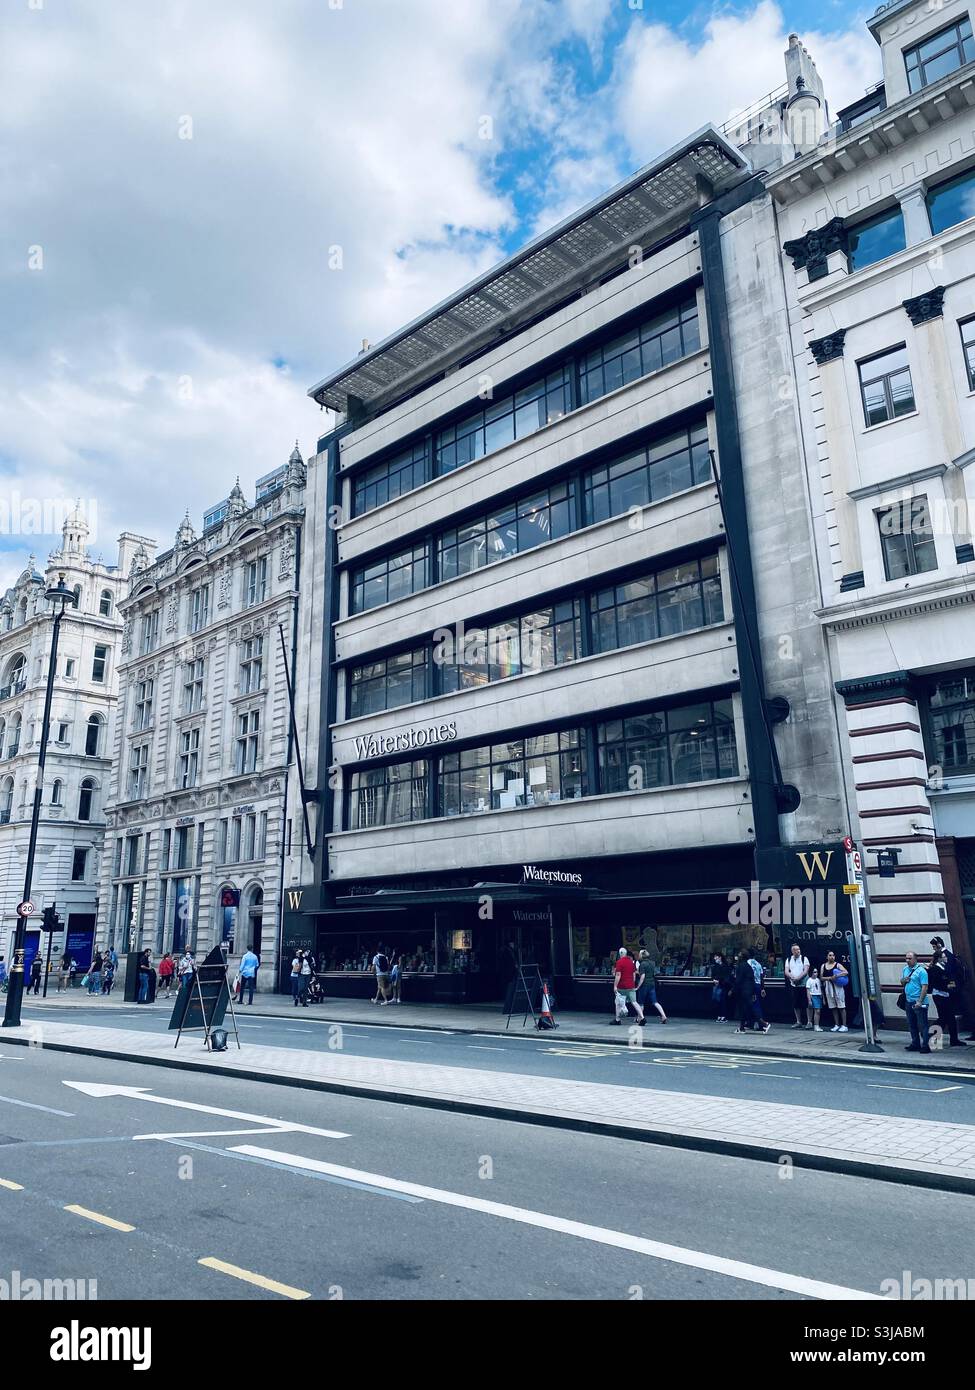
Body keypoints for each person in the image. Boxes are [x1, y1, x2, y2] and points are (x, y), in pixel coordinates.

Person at [930, 936, 973, 1043]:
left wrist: (950, 986)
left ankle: (945, 1038)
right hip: (944, 993)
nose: (933, 949)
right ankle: (933, 1036)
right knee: (946, 1017)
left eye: (934, 946)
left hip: (946, 993)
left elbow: (949, 976)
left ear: (939, 945)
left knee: (947, 1017)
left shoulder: (945, 958)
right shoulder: (940, 960)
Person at [901, 950, 931, 1054]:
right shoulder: (905, 969)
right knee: (911, 1024)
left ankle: (925, 1045)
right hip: (908, 1001)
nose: (907, 960)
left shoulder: (921, 971)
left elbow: (925, 987)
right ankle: (915, 1043)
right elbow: (901, 982)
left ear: (915, 959)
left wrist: (920, 1001)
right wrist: (904, 980)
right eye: (906, 958)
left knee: (922, 1024)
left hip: (918, 1001)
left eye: (910, 958)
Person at [612, 947, 645, 1026]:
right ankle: (642, 1018)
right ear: (626, 953)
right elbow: (634, 975)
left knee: (618, 1002)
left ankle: (617, 1019)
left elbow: (618, 975)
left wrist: (615, 986)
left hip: (622, 986)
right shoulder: (631, 962)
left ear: (620, 954)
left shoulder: (619, 962)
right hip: (631, 986)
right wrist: (632, 983)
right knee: (634, 1002)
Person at [636, 949, 667, 1023]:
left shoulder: (642, 964)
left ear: (642, 956)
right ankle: (663, 1016)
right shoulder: (652, 963)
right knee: (655, 1002)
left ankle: (640, 1018)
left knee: (641, 1003)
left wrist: (638, 986)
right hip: (652, 984)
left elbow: (642, 976)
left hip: (644, 985)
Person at [821, 950, 849, 1032]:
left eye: (833, 955)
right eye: (830, 955)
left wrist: (836, 975)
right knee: (833, 1006)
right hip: (829, 986)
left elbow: (846, 972)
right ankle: (837, 1024)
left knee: (841, 1006)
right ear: (827, 957)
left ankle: (844, 1025)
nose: (832, 957)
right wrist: (830, 978)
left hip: (838, 986)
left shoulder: (838, 965)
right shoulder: (823, 966)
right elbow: (821, 977)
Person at [784, 943, 811, 1028]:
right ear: (792, 951)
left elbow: (805, 971)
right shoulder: (788, 959)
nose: (797, 951)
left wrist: (798, 978)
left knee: (806, 1003)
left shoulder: (804, 958)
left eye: (798, 949)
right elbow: (786, 971)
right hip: (794, 985)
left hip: (803, 984)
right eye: (795, 949)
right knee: (796, 1004)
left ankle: (809, 1022)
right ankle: (798, 1021)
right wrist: (791, 977)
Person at [746, 952, 770, 1031]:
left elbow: (749, 976)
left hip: (751, 986)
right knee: (756, 1004)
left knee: (754, 1005)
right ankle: (751, 1023)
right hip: (758, 985)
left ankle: (761, 1024)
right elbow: (761, 976)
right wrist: (762, 988)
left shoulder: (748, 963)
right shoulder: (758, 964)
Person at [710, 952, 732, 1021]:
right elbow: (712, 975)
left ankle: (723, 1015)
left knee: (722, 1000)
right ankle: (719, 1015)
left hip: (723, 985)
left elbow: (726, 976)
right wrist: (713, 980)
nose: (715, 958)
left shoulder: (725, 966)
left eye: (716, 957)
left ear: (720, 957)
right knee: (717, 1000)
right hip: (716, 984)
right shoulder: (715, 966)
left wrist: (719, 980)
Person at [805, 966, 823, 1030]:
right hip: (813, 996)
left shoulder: (818, 980)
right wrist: (809, 1000)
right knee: (817, 1011)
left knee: (818, 1011)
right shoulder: (809, 981)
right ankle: (816, 1025)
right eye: (814, 972)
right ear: (811, 973)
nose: (816, 973)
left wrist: (823, 998)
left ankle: (817, 1024)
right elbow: (808, 991)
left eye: (817, 972)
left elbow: (820, 989)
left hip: (818, 996)